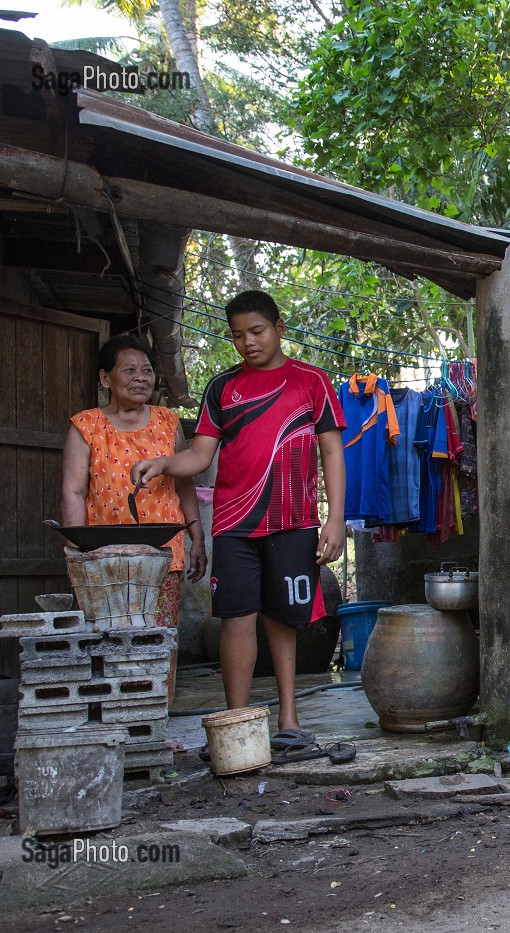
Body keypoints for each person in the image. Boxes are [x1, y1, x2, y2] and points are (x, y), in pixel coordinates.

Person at [131, 290, 346, 753]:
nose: (248, 342)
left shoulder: (312, 381)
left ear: (279, 329)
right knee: (235, 618)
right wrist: (164, 463)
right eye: (237, 335)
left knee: (283, 619)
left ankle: (288, 719)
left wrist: (335, 519)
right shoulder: (222, 388)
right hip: (234, 523)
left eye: (257, 331)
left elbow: (331, 451)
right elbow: (200, 454)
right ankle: (236, 722)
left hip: (293, 519)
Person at [61, 334, 207, 706]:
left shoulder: (167, 421)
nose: (141, 378)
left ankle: (157, 715)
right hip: (103, 561)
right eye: (129, 370)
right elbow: (74, 492)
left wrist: (197, 537)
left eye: (146, 371)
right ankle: (114, 715)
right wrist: (77, 551)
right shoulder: (86, 425)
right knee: (108, 639)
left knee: (160, 639)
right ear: (105, 378)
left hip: (163, 558)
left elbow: (184, 483)